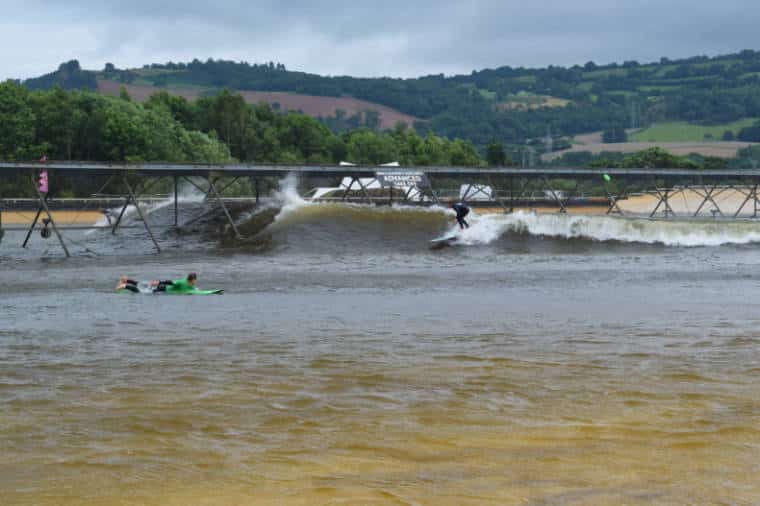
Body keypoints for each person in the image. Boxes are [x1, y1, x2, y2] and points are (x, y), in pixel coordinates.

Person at [116, 273, 198, 293]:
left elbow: (192, 288)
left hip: (160, 288)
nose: (196, 281)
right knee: (141, 292)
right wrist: (159, 282)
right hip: (159, 289)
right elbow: (171, 282)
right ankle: (125, 286)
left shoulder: (190, 283)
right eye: (195, 279)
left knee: (143, 285)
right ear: (192, 280)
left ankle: (126, 280)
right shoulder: (182, 282)